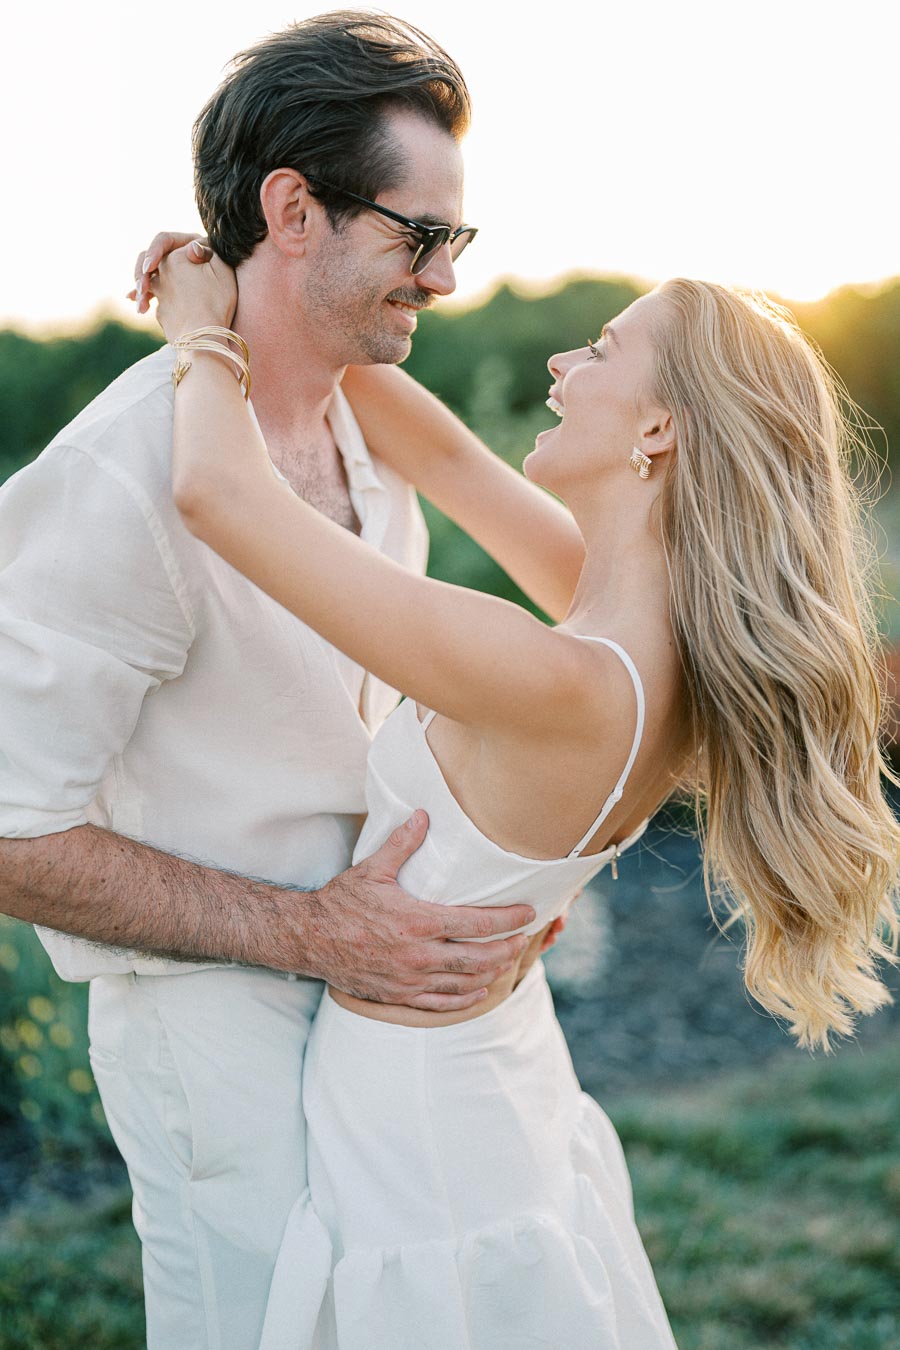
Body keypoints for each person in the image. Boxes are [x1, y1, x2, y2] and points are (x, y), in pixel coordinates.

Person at [147, 232, 900, 1346]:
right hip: (484, 1069)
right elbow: (446, 460)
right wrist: (290, 287)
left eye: (599, 351)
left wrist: (196, 325)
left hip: (422, 1117)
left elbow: (218, 495)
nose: (559, 366)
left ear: (659, 429)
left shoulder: (566, 677)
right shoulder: (651, 643)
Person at [0, 14, 582, 1346]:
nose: (443, 278)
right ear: (294, 210)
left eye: (456, 239)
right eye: (418, 234)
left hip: (378, 1019)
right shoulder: (122, 480)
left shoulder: (370, 424)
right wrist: (311, 933)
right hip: (215, 1031)